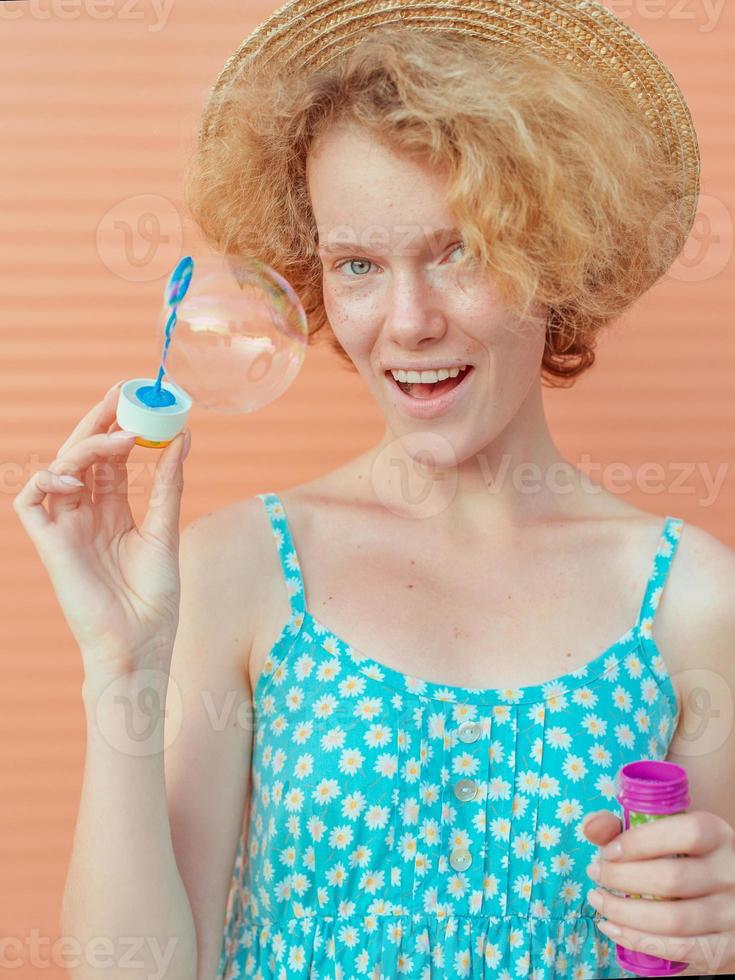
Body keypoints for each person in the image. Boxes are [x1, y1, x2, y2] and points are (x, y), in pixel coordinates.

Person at [13, 3, 735, 979]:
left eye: (461, 251)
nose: (407, 322)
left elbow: (690, 939)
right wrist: (120, 664)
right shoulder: (236, 569)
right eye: (357, 264)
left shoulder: (695, 596)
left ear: (555, 256)